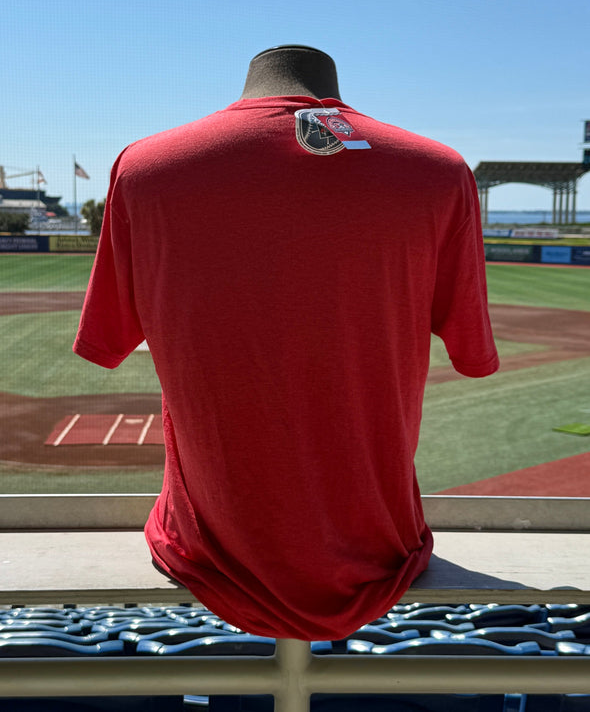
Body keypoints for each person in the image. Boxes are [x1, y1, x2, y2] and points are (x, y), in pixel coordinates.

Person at [73, 45, 499, 640]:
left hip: (202, 550)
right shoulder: (441, 171)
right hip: (383, 547)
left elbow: (107, 337)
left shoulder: (145, 167)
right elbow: (472, 354)